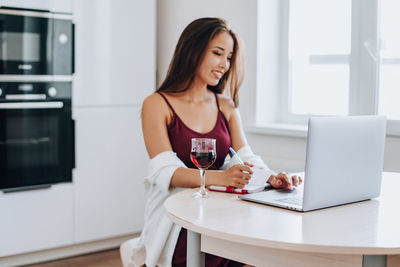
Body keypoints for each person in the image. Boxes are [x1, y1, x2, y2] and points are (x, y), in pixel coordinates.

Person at [135, 17, 301, 267]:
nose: (224, 64)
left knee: (264, 249)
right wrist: (221, 178)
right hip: (180, 221)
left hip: (224, 215)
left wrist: (270, 176)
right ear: (193, 50)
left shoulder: (226, 106)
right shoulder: (157, 104)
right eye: (218, 53)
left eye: (229, 57)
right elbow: (165, 171)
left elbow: (245, 156)